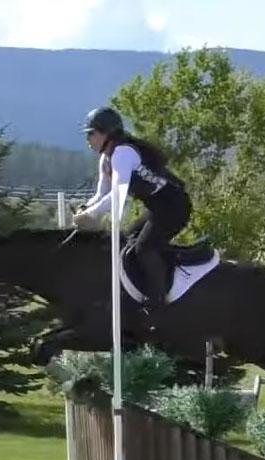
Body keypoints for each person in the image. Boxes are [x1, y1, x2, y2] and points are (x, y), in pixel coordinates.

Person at [73, 106, 192, 312]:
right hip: (157, 207)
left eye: (91, 133)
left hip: (174, 207)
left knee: (144, 248)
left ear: (106, 133)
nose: (88, 139)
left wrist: (91, 215)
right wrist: (86, 208)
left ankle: (159, 302)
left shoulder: (123, 154)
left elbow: (118, 195)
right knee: (127, 242)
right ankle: (139, 291)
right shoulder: (107, 157)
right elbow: (102, 194)